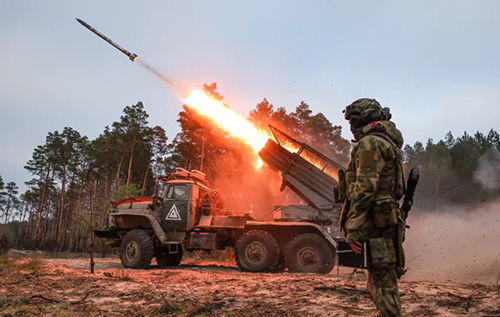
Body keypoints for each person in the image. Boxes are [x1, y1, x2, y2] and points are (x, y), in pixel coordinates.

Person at [340, 98, 405, 317]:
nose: (351, 127)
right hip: (382, 223)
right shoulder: (384, 141)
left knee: (383, 288)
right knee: (379, 282)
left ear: (364, 120)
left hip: (376, 227)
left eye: (353, 121)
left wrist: (353, 226)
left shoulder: (370, 144)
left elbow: (365, 187)